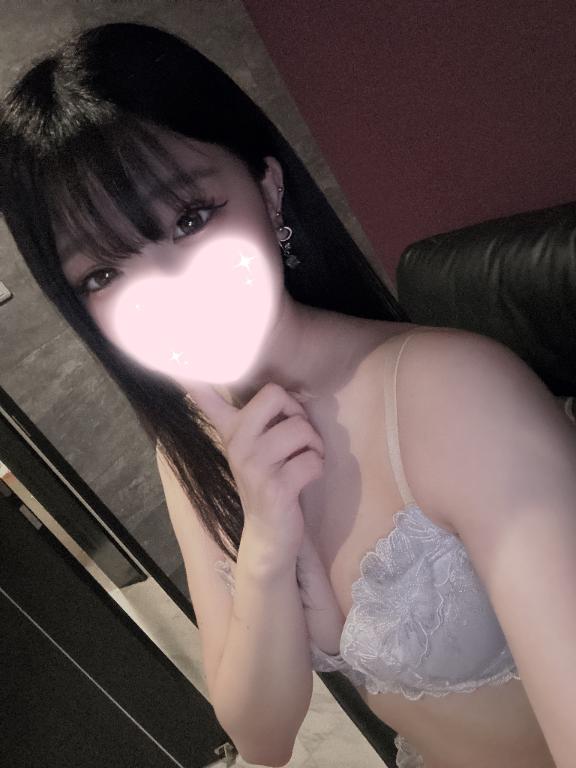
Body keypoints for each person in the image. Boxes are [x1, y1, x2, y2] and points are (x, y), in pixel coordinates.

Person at [1, 22, 574, 768]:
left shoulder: (454, 394)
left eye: (189, 219)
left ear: (268, 190)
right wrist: (267, 549)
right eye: (103, 274)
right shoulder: (190, 449)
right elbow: (260, 739)